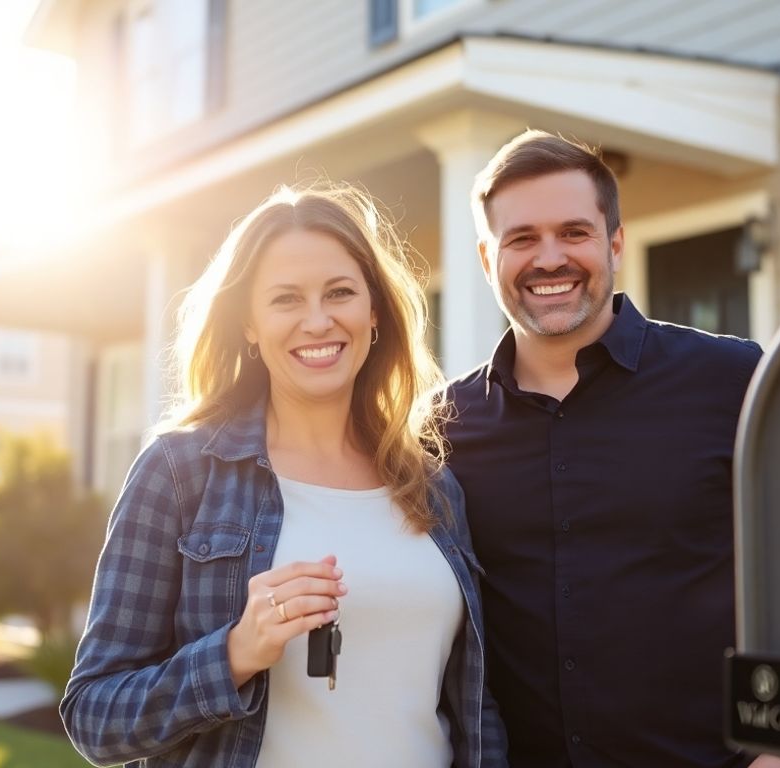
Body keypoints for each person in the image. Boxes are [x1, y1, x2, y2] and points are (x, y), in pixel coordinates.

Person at [62, 183, 506, 767]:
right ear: (248, 324)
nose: (317, 321)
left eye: (340, 292)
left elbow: (476, 708)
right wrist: (236, 653)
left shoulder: (432, 487)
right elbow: (95, 718)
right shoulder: (180, 473)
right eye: (286, 299)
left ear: (374, 312)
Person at [444, 130, 774, 767]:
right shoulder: (444, 429)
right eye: (521, 239)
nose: (549, 259)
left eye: (574, 232)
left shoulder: (734, 383)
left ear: (614, 242)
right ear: (488, 260)